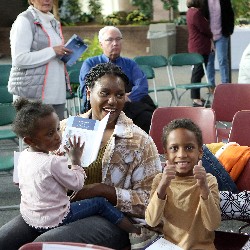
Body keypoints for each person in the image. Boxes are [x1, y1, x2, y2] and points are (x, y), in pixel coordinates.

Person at [0, 63, 162, 250]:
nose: (113, 101)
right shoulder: (63, 128)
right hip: (55, 210)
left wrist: (103, 191)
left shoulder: (139, 141)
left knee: (42, 246)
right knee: (4, 241)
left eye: (119, 95)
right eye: (104, 93)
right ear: (88, 93)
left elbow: (151, 201)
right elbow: (37, 165)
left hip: (112, 218)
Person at [145, 118, 221, 250]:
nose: (182, 154)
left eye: (189, 148)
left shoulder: (208, 180)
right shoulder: (160, 180)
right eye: (174, 148)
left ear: (200, 152)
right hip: (170, 247)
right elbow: (152, 221)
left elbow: (212, 225)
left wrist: (203, 187)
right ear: (166, 154)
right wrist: (162, 187)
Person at [79, 26, 156, 133]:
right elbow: (86, 90)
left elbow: (142, 86)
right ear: (101, 44)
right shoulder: (90, 63)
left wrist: (126, 97)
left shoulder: (130, 63)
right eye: (110, 39)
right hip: (101, 105)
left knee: (148, 118)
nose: (115, 43)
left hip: (129, 105)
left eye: (118, 39)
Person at [7, 0, 72, 120]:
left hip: (57, 94)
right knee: (35, 138)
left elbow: (53, 55)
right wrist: (53, 51)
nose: (47, 0)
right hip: (33, 98)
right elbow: (19, 59)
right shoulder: (24, 20)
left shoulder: (54, 22)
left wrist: (65, 54)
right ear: (31, 0)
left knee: (56, 136)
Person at [203, 0, 235, 92]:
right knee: (209, 62)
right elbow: (201, 17)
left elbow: (230, 13)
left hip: (222, 34)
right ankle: (211, 86)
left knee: (223, 60)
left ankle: (225, 85)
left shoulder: (224, 1)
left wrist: (230, 30)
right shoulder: (204, 2)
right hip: (208, 36)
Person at [186, 0, 213, 107]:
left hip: (196, 45)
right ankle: (195, 98)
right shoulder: (196, 13)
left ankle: (196, 96)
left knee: (198, 72)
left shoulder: (190, 12)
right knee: (198, 72)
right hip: (200, 46)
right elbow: (205, 28)